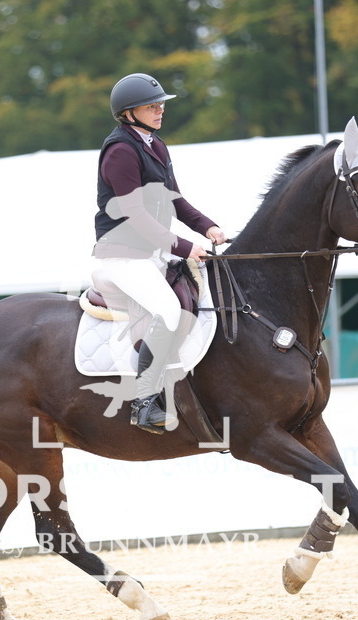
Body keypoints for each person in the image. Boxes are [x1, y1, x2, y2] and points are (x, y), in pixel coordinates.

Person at [91, 72, 227, 434]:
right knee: (168, 312)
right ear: (128, 113)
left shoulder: (156, 145)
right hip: (122, 254)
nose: (160, 109)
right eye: (152, 105)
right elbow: (133, 215)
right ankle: (145, 400)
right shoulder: (120, 151)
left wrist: (207, 226)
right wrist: (184, 247)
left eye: (160, 104)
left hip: (151, 253)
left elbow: (174, 199)